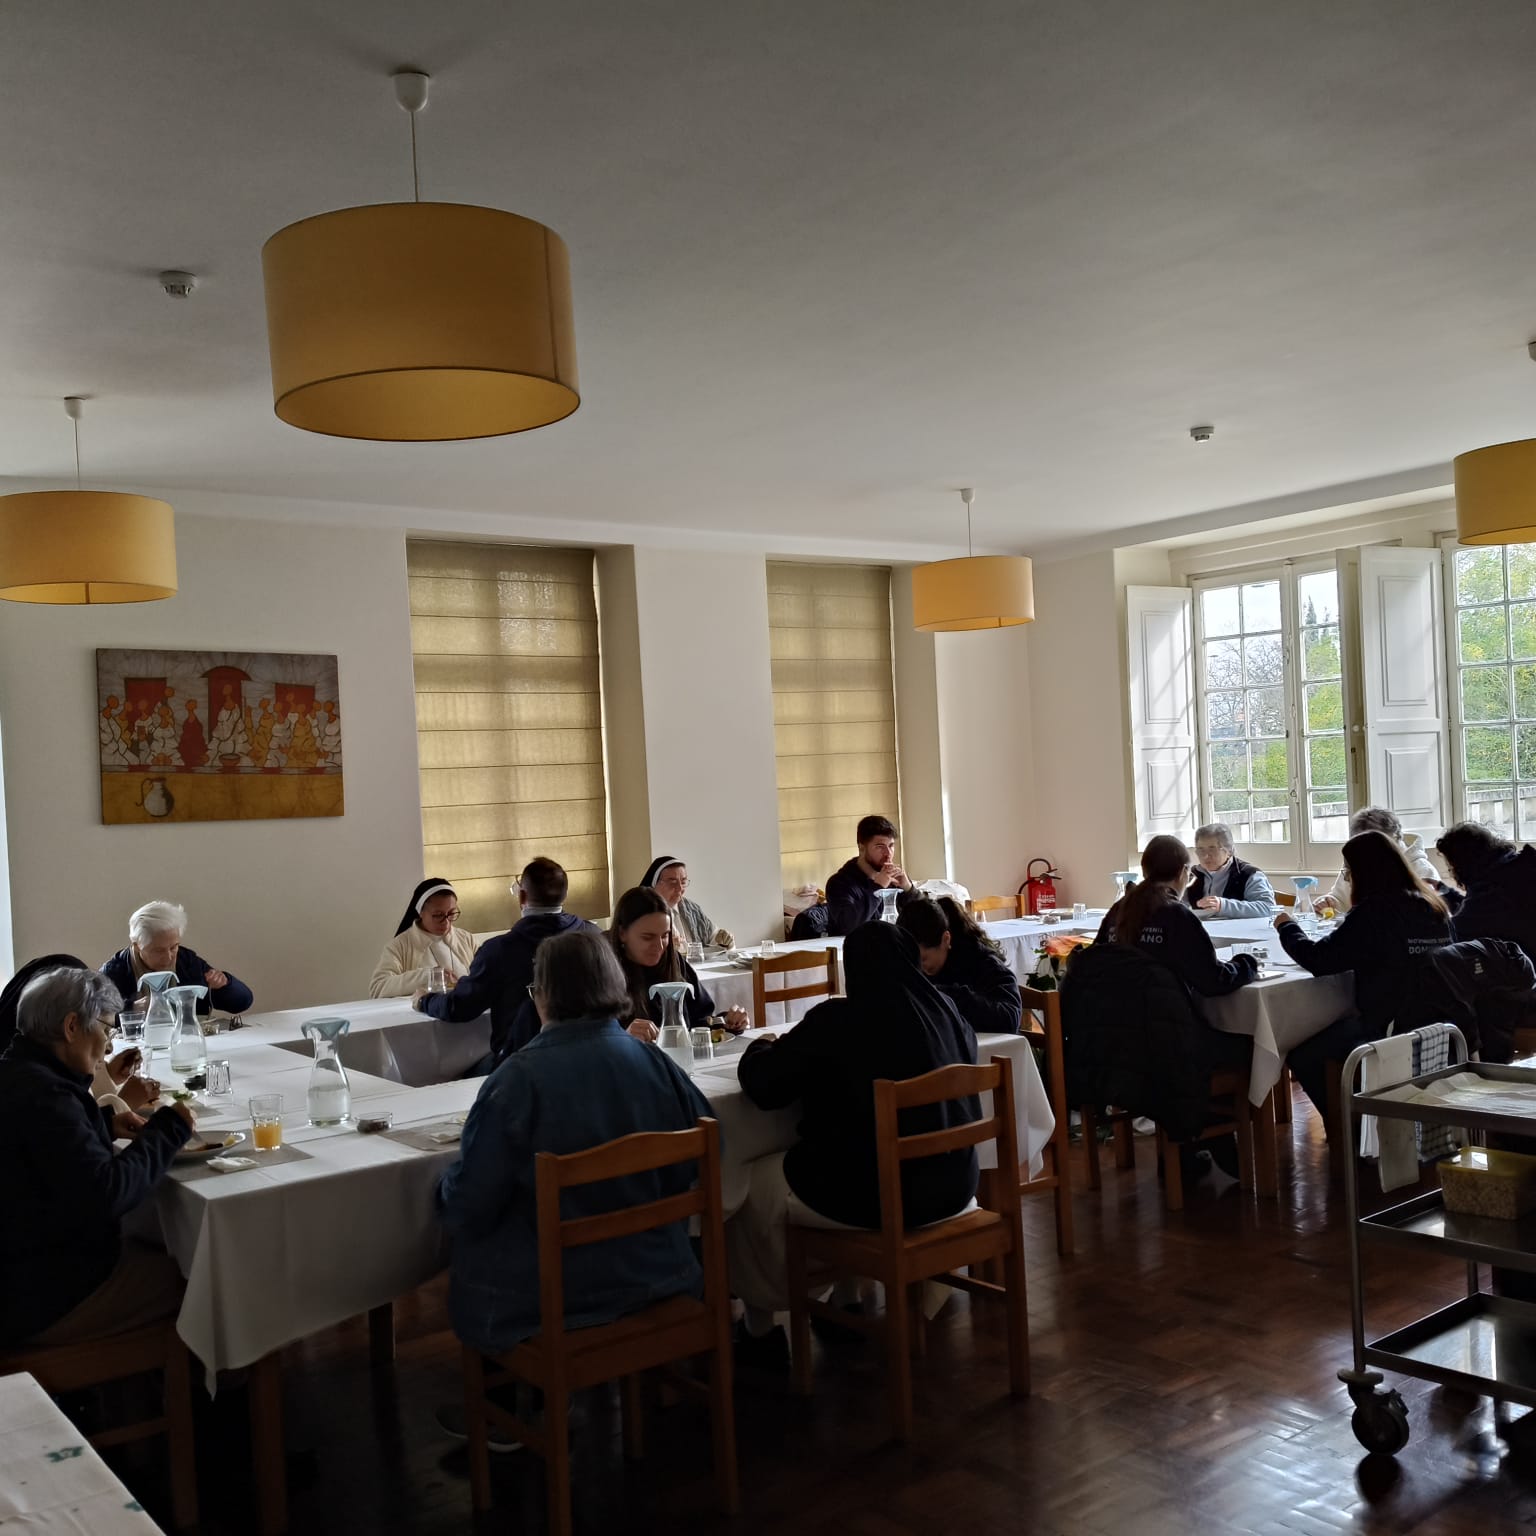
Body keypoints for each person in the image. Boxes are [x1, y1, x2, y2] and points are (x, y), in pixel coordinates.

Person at [436, 930, 714, 1358]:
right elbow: (704, 1152)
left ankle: (512, 1392)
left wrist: (441, 1188)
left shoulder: (516, 1080)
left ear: (541, 996)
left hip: (552, 1295)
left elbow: (469, 1204)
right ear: (616, 986)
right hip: (660, 1270)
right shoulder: (656, 1062)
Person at [728, 922, 979, 1364]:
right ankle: (844, 1301)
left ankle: (760, 1329)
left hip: (884, 1197)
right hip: (955, 1184)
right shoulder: (947, 1011)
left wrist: (758, 1047)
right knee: (845, 1155)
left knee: (750, 1183)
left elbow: (765, 1087)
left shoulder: (839, 1020)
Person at [0, 967, 194, 1347]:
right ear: (72, 1026)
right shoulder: (47, 1095)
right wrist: (168, 1130)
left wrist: (102, 1124)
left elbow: (43, 1149)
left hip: (21, 1271)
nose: (108, 1046)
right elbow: (108, 1194)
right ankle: (219, 1386)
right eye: (106, 1029)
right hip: (40, 1296)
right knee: (200, 1280)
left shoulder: (16, 1072)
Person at [1276, 829, 1454, 1117]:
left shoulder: (1374, 912)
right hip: (1442, 1023)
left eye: (1348, 872)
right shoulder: (1433, 906)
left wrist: (1287, 927)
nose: (1348, 879)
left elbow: (1319, 959)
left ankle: (1348, 1125)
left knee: (1303, 1052)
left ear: (1364, 872)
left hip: (1391, 1027)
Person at [416, 858, 594, 1063]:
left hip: (522, 1059)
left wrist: (425, 1000)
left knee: (459, 1070)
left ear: (522, 896)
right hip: (587, 1053)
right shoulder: (594, 936)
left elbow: (461, 1007)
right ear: (565, 895)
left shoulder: (499, 950)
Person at [1096, 836, 1261, 1000]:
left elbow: (1097, 958)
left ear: (1145, 872)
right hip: (1161, 1011)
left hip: (1108, 1007)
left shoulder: (1119, 908)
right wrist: (1247, 963)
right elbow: (1213, 981)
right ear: (1183, 872)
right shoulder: (1176, 915)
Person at [607, 887, 749, 1041]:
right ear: (622, 933)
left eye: (665, 936)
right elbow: (593, 1041)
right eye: (648, 937)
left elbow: (700, 1020)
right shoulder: (603, 973)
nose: (659, 946)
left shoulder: (673, 962)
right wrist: (624, 1037)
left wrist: (726, 1022)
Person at [896, 893, 1023, 1035]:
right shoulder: (912, 966)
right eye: (912, 960)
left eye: (924, 959)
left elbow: (1010, 1019)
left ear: (946, 940)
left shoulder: (983, 963)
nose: (919, 967)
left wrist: (944, 996)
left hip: (986, 1047)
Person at [101, 900, 253, 1016]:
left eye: (174, 947)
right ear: (137, 946)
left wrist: (225, 985)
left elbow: (243, 1002)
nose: (169, 956)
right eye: (159, 950)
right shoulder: (114, 972)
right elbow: (94, 1017)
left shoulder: (186, 961)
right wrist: (131, 1008)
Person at [1435, 821, 1536, 963]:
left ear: (1462, 865)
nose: (1451, 872)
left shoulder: (1491, 894)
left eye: (1451, 867)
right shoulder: (1522, 865)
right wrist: (1445, 891)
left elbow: (1457, 930)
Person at [371, 878, 480, 999]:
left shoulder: (467, 939)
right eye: (438, 915)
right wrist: (427, 976)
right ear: (420, 912)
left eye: (451, 913)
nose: (446, 922)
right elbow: (378, 988)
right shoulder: (399, 946)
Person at [1323, 807, 1442, 913]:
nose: (1368, 857)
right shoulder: (1357, 864)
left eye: (1374, 847)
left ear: (1395, 839)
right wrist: (1329, 902)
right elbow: (1339, 899)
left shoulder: (1423, 871)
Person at [825, 814, 913, 935]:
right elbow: (848, 926)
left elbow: (927, 920)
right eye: (880, 847)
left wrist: (909, 889)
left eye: (891, 846)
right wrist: (877, 888)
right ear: (862, 848)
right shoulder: (839, 883)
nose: (888, 854)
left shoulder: (895, 879)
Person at [1183, 823, 1276, 919]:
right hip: (1199, 927)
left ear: (1229, 851)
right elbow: (1177, 904)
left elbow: (1268, 908)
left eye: (1212, 849)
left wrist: (1223, 905)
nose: (1205, 856)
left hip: (1238, 928)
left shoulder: (1250, 874)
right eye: (1201, 850)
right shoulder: (1190, 874)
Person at [641, 856, 736, 949]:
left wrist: (724, 940)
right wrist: (665, 949)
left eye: (683, 882)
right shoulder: (642, 913)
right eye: (672, 882)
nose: (680, 888)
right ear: (654, 884)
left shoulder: (692, 909)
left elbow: (713, 937)